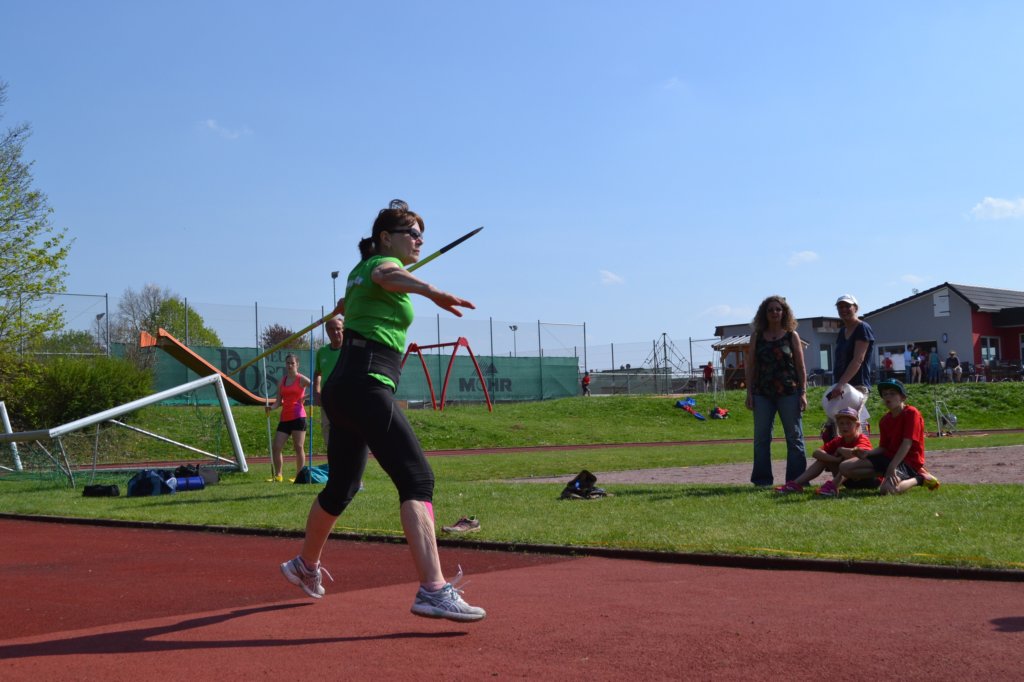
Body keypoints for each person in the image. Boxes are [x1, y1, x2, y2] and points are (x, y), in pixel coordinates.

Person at [279, 199, 485, 622]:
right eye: (413, 233)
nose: (420, 240)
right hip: (366, 383)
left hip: (344, 387)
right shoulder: (379, 266)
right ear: (385, 238)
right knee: (417, 479)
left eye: (422, 234)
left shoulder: (358, 275)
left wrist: (354, 301)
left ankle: (304, 564)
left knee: (342, 487)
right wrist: (432, 291)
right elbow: (386, 275)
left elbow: (372, 287)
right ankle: (433, 590)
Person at [744, 295, 807, 487]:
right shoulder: (757, 336)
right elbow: (751, 365)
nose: (774, 313)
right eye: (770, 309)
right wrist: (749, 393)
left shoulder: (791, 335)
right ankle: (762, 480)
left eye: (778, 309)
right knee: (761, 438)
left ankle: (796, 480)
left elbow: (800, 366)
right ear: (764, 313)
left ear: (784, 312)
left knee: (794, 437)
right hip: (762, 393)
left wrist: (803, 392)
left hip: (789, 392)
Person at [839, 378, 940, 494]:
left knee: (887, 490)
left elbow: (907, 443)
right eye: (885, 394)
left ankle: (920, 478)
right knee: (844, 467)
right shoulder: (884, 420)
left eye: (892, 393)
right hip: (888, 458)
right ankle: (888, 475)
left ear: (903, 398)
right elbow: (883, 448)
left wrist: (892, 466)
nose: (888, 397)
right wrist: (868, 453)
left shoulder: (911, 413)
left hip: (908, 461)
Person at [774, 407, 872, 496]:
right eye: (841, 423)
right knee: (823, 459)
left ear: (857, 425)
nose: (844, 426)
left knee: (849, 459)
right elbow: (816, 453)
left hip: (868, 479)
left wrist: (840, 450)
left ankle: (832, 487)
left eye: (848, 423)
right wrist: (835, 459)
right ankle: (795, 485)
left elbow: (861, 454)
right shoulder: (838, 440)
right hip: (849, 479)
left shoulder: (862, 439)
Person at [826, 294, 875, 427]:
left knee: (851, 425)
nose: (843, 309)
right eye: (840, 307)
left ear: (856, 308)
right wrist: (838, 384)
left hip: (856, 385)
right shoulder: (842, 331)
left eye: (847, 306)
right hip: (840, 387)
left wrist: (841, 384)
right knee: (836, 425)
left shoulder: (862, 328)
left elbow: (858, 359)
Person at [265, 353, 311, 482]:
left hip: (298, 417)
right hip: (285, 417)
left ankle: (299, 476)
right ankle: (278, 475)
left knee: (298, 447)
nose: (290, 365)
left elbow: (316, 388)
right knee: (276, 447)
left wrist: (305, 397)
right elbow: (278, 401)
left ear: (297, 364)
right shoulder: (282, 381)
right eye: (288, 363)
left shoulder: (301, 379)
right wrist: (271, 408)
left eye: (292, 363)